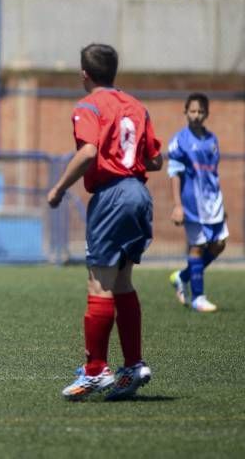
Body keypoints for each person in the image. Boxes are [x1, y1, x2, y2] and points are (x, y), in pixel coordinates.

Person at [46, 43, 163, 401]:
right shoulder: (136, 105)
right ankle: (133, 365)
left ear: (85, 74)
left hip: (111, 195)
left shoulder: (88, 105)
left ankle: (96, 370)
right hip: (139, 194)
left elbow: (89, 151)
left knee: (99, 284)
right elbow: (155, 160)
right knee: (123, 282)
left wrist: (58, 188)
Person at [167, 93, 226, 312]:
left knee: (219, 244)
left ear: (207, 114)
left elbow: (213, 174)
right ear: (185, 112)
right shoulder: (180, 140)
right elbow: (174, 173)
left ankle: (182, 277)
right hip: (193, 203)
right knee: (198, 247)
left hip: (214, 203)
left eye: (201, 111)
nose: (197, 115)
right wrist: (177, 205)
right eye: (193, 111)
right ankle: (198, 298)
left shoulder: (212, 140)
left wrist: (221, 205)